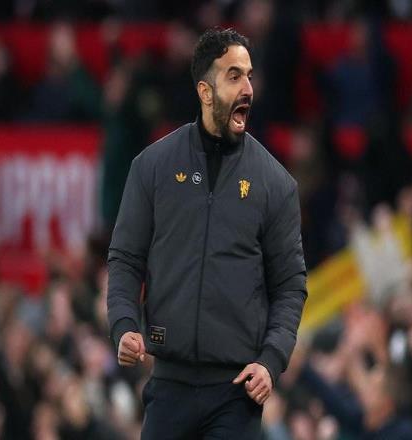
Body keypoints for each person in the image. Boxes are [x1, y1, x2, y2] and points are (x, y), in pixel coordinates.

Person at [107, 27, 307, 439]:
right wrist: (124, 324)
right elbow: (126, 258)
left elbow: (290, 286)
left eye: (249, 75)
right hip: (168, 387)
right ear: (205, 91)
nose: (248, 88)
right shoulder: (152, 167)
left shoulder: (276, 184)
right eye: (234, 76)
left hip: (236, 396)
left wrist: (271, 361)